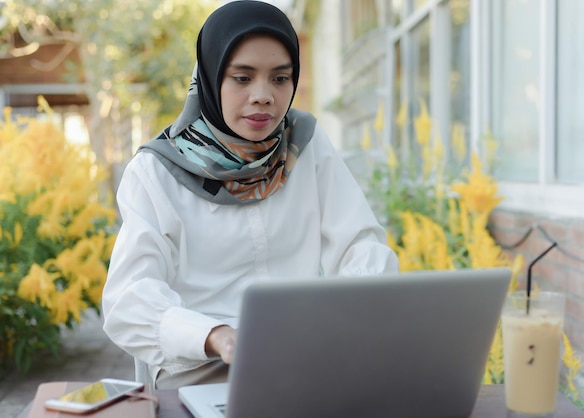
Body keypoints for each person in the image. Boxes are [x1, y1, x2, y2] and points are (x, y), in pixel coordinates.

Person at [102, 0, 399, 390]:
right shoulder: (156, 171)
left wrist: (349, 316)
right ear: (210, 78)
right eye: (242, 78)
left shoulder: (305, 146)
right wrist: (217, 336)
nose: (263, 95)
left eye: (280, 78)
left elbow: (361, 243)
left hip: (303, 358)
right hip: (200, 368)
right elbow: (128, 299)